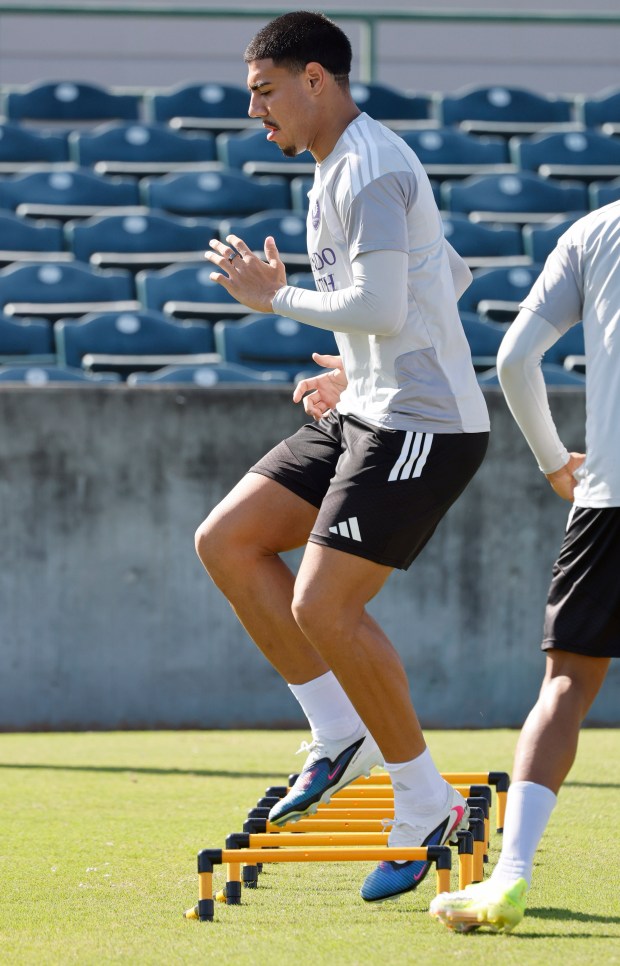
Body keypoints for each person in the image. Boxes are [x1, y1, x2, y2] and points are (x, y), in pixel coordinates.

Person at [195, 10, 489, 903]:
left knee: (325, 604)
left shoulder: (366, 169)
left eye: (265, 90)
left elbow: (387, 308)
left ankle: (422, 801)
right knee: (229, 541)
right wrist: (352, 366)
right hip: (368, 403)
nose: (256, 112)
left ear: (316, 78)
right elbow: (448, 274)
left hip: (420, 425)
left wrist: (278, 297)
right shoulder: (340, 166)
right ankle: (338, 732)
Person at [430, 201, 620, 932]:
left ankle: (509, 876)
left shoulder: (593, 231)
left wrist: (553, 463)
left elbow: (512, 359)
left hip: (607, 497)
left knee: (566, 685)